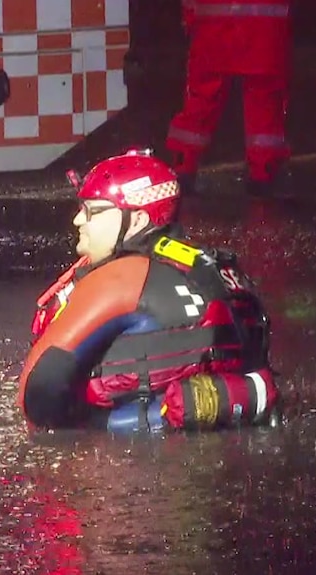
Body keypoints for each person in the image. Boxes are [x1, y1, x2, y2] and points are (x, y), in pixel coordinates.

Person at [17, 148, 281, 434]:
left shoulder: (121, 277)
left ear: (139, 220)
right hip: (229, 432)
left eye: (91, 210)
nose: (78, 220)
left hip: (136, 455)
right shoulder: (220, 268)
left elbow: (37, 393)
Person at [166, 0, 292, 198]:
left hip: (213, 25)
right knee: (263, 99)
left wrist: (189, 17)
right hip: (263, 26)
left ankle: (184, 164)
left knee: (202, 97)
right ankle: (263, 171)